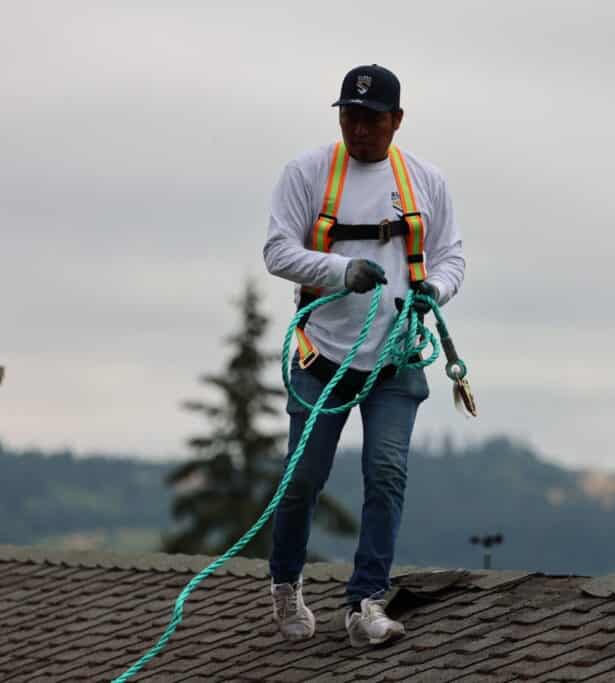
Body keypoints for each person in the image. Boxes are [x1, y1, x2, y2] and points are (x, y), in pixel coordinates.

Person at [262, 64, 465, 646]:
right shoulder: (306, 173)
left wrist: (438, 289)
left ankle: (366, 600)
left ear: (396, 121)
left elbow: (452, 257)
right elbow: (277, 251)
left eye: (372, 118)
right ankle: (285, 582)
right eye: (349, 115)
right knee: (303, 478)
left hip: (394, 358)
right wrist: (340, 270)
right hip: (321, 357)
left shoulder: (427, 182)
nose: (359, 128)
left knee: (386, 471)